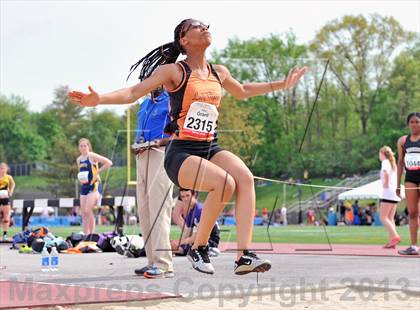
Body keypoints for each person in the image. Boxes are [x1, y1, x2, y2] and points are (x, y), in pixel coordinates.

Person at [68, 18, 307, 275]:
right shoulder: (174, 72)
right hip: (180, 152)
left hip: (209, 147)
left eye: (206, 25)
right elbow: (132, 93)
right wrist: (98, 99)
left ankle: (243, 256)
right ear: (184, 40)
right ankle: (198, 247)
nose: (205, 28)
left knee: (245, 178)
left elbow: (243, 90)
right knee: (224, 183)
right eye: (197, 26)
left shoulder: (219, 72)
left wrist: (282, 85)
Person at [132, 88, 174, 279]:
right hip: (142, 156)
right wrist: (136, 144)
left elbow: (181, 131)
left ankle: (164, 264)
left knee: (159, 210)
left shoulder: (172, 100)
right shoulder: (144, 104)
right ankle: (152, 260)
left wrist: (161, 141)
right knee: (145, 210)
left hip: (160, 154)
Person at [76, 138, 112, 235]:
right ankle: (86, 235)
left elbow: (108, 163)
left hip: (94, 185)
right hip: (84, 187)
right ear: (79, 148)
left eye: (85, 145)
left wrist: (98, 172)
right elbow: (83, 173)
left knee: (88, 210)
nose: (83, 147)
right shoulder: (78, 159)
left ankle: (92, 234)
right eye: (81, 146)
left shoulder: (91, 155)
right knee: (83, 213)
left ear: (88, 146)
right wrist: (81, 178)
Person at [396, 112, 420, 255]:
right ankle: (413, 246)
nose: (415, 124)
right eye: (412, 122)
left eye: (417, 122)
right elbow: (400, 163)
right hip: (410, 178)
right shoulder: (403, 141)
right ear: (408, 124)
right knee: (412, 213)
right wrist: (398, 184)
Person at [171, 189, 220, 257]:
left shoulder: (200, 210)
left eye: (188, 195)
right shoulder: (190, 212)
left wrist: (179, 242)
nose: (185, 199)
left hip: (209, 240)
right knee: (177, 248)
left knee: (191, 246)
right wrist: (175, 245)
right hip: (197, 239)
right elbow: (188, 233)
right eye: (183, 197)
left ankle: (210, 249)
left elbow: (196, 237)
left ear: (194, 195)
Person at [378, 146, 401, 248]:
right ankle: (392, 242)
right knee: (390, 218)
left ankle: (395, 237)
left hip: (388, 192)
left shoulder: (385, 162)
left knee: (383, 217)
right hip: (394, 193)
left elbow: (385, 172)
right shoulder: (393, 164)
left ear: (382, 153)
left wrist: (386, 183)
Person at [0, 163, 15, 241]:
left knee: (6, 218)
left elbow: (13, 184)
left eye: (3, 168)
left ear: (6, 169)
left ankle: (5, 235)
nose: (2, 170)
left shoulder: (9, 177)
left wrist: (11, 192)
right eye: (1, 168)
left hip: (5, 198)